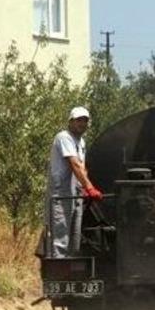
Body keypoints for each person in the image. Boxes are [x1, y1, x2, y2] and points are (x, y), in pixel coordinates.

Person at [44, 106, 103, 258]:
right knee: (60, 237)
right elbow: (74, 164)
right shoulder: (64, 137)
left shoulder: (81, 142)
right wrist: (90, 187)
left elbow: (82, 167)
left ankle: (71, 266)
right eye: (78, 120)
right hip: (61, 194)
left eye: (85, 121)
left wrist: (83, 188)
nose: (82, 124)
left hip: (76, 195)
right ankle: (57, 268)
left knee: (74, 238)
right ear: (70, 122)